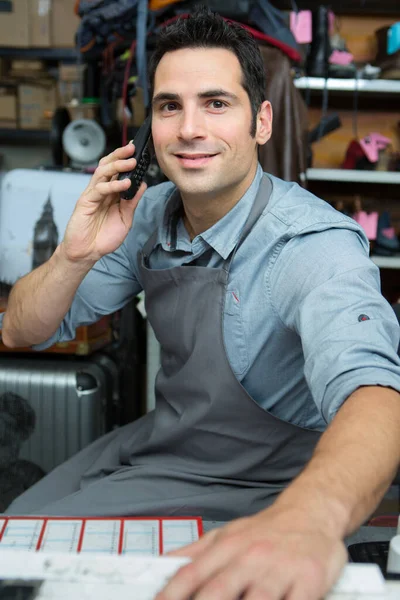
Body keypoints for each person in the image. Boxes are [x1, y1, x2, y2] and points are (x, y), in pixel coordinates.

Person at [2, 7, 400, 600]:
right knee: (17, 534)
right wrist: (73, 254)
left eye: (216, 103)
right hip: (162, 448)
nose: (189, 128)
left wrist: (307, 520)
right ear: (149, 130)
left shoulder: (312, 245)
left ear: (261, 122)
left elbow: (377, 398)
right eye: (169, 106)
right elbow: (19, 330)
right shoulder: (144, 216)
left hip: (272, 480)